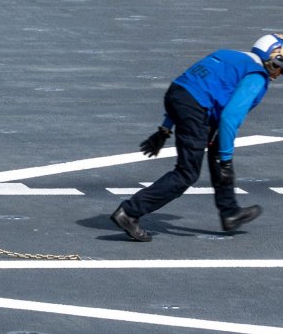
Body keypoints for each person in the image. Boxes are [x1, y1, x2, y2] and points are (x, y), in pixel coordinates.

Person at [111, 33, 282, 241]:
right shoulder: (256, 75)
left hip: (177, 96)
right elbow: (229, 118)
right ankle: (129, 212)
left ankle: (230, 212)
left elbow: (188, 88)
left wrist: (164, 129)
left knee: (217, 147)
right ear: (274, 58)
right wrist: (227, 162)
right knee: (187, 173)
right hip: (196, 108)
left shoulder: (229, 55)